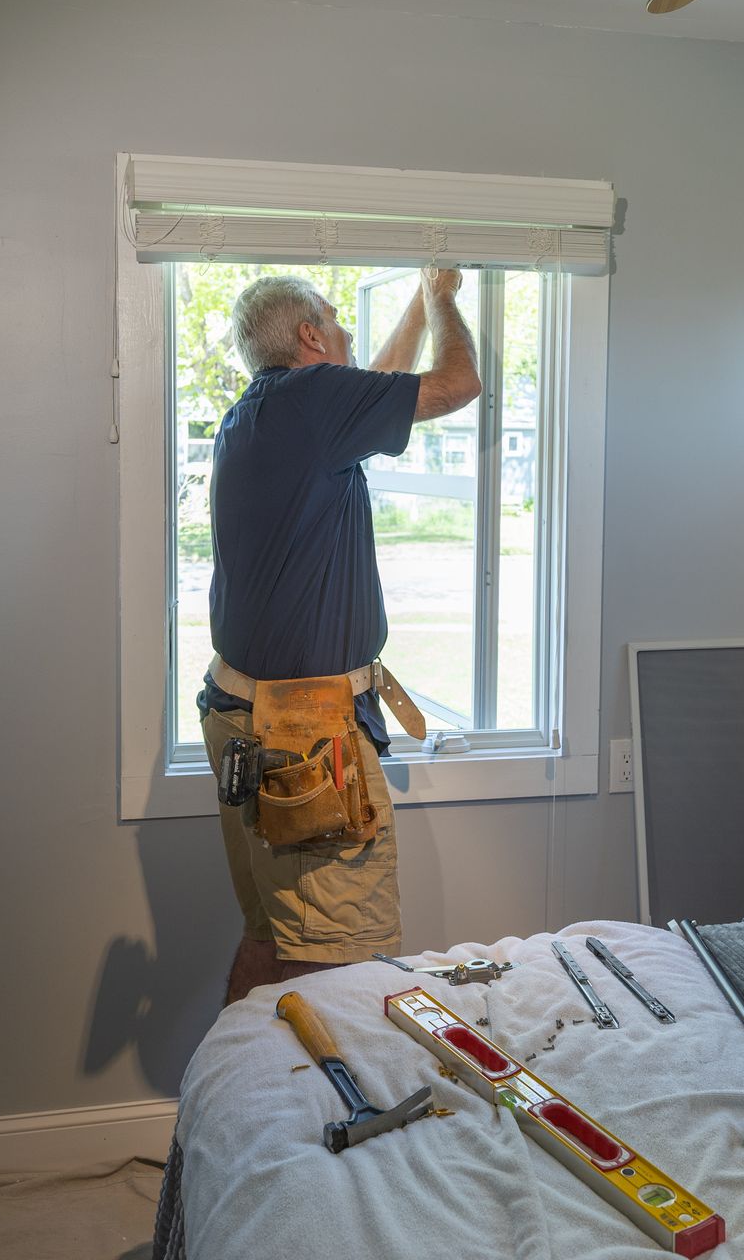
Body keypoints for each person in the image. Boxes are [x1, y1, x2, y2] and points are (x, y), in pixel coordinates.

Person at [199, 268, 482, 1004]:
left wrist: (417, 299)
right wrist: (444, 300)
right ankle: (320, 1084)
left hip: (243, 713)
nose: (348, 331)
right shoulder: (312, 401)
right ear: (310, 336)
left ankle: (240, 1079)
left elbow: (376, 383)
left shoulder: (268, 413)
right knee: (338, 962)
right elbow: (457, 385)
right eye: (335, 319)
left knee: (274, 936)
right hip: (302, 733)